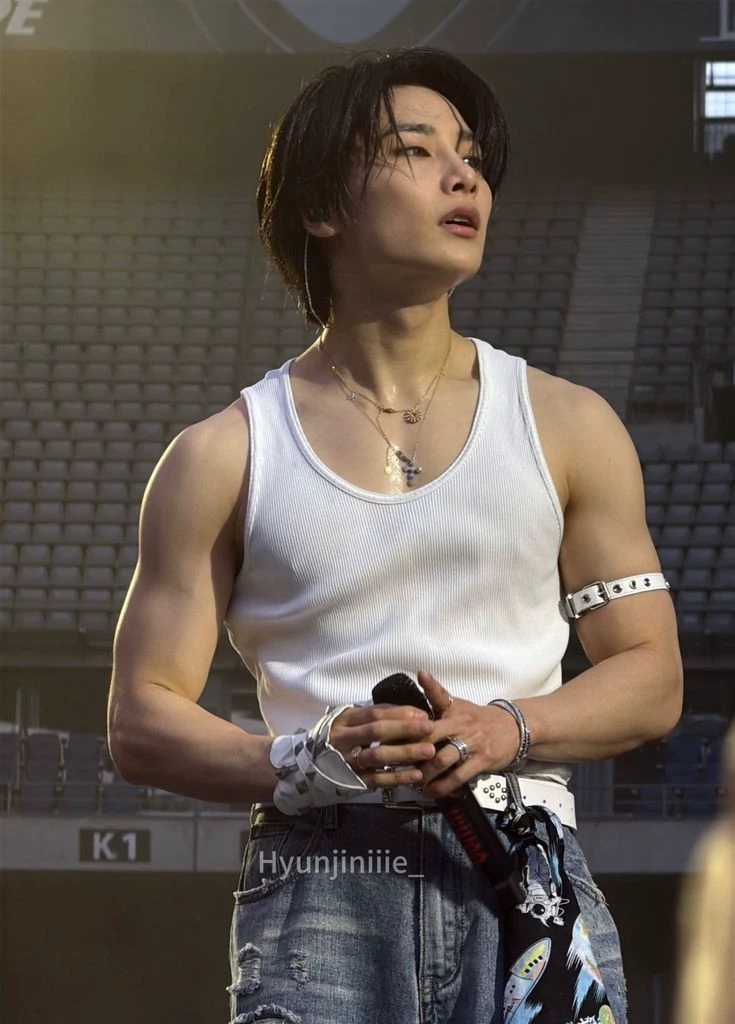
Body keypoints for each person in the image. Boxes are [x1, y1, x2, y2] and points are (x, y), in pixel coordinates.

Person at [107, 47, 683, 1024]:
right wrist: (301, 759)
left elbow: (653, 675)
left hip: (527, 868)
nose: (465, 177)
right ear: (320, 206)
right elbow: (139, 718)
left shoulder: (569, 425)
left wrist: (508, 725)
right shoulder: (221, 455)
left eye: (471, 157)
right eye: (416, 151)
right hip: (321, 874)